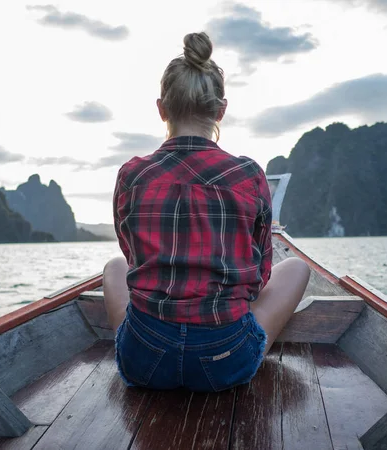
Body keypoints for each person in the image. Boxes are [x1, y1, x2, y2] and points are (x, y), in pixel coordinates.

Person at [103, 32, 310, 392]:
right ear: (221, 110)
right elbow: (259, 277)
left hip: (144, 360)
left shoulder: (132, 175)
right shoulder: (247, 175)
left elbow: (131, 255)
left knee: (113, 268)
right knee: (298, 267)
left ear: (161, 108)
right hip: (224, 360)